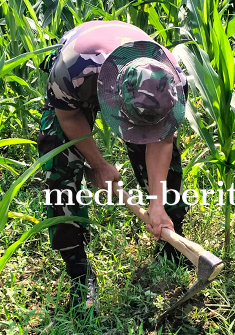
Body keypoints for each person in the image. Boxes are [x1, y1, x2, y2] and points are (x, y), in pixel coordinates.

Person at [37, 20, 190, 310]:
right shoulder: (72, 69)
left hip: (132, 85)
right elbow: (68, 118)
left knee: (166, 172)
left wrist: (156, 204)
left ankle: (171, 240)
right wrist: (98, 164)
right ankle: (79, 271)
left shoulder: (170, 83)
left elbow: (162, 142)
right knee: (59, 161)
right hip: (83, 79)